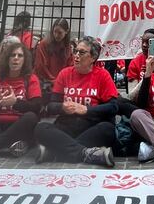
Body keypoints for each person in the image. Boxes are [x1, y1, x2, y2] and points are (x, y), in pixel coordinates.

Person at [33, 36, 117, 167]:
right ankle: (85, 153)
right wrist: (62, 107)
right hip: (66, 125)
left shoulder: (103, 75)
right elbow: (51, 106)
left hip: (90, 126)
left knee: (108, 129)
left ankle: (53, 152)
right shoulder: (65, 73)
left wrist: (86, 110)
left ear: (93, 58)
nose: (76, 55)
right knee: (40, 128)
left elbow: (113, 107)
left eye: (82, 52)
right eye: (75, 51)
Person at [34, 18, 73, 91]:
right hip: (44, 82)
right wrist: (54, 80)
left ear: (66, 31)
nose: (56, 35)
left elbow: (70, 66)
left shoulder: (67, 46)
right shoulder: (44, 44)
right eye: (55, 32)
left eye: (60, 33)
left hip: (60, 82)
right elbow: (40, 65)